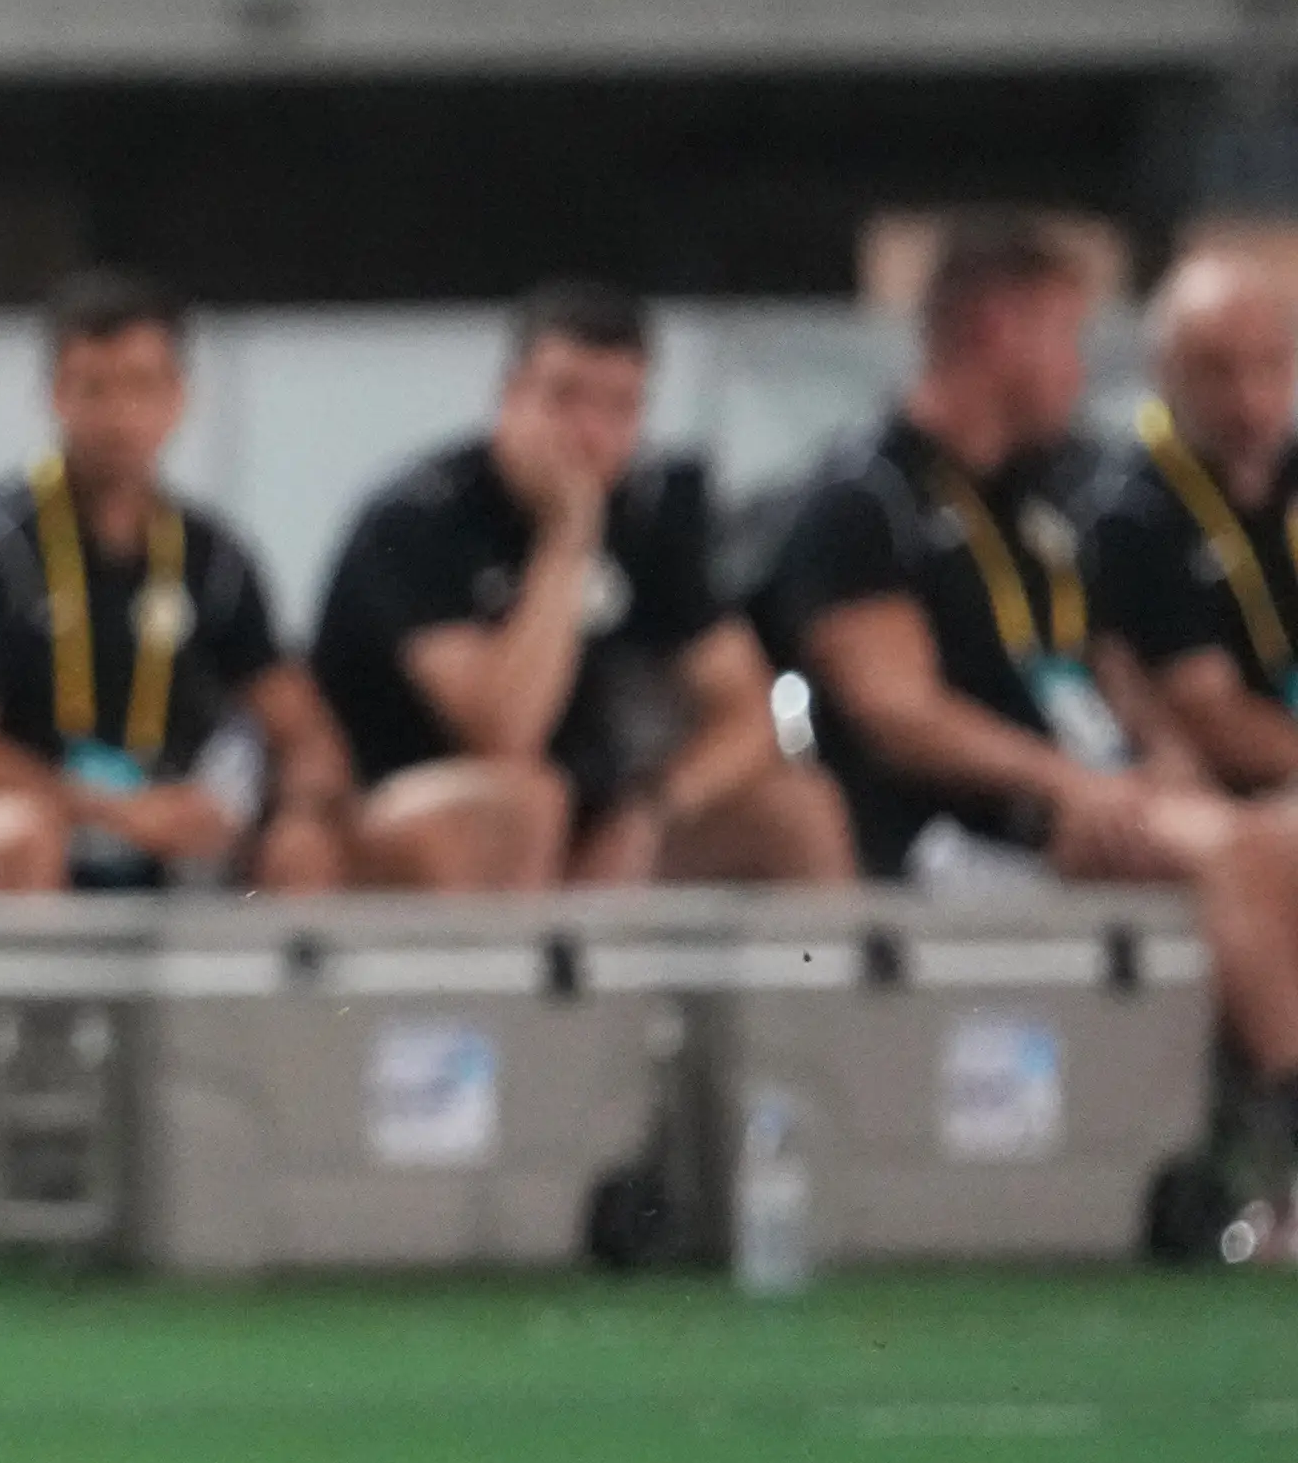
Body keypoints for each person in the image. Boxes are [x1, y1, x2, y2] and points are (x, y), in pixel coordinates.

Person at [756, 215, 1298, 1184]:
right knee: (1236, 850)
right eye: (1066, 337)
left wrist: (1161, 761)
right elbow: (896, 711)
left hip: (1086, 803)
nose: (1081, 369)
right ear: (998, 332)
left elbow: (1100, 664)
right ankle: (1282, 1148)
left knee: (1276, 833)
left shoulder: (1047, 494)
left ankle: (1236, 1150)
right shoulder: (867, 501)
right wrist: (1071, 785)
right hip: (959, 839)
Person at [312, 280, 853, 888]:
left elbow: (749, 714)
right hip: (400, 806)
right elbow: (506, 733)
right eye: (565, 399)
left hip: (585, 807)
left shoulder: (643, 517)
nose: (589, 433)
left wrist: (654, 805)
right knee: (526, 802)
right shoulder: (422, 520)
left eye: (619, 408)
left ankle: (829, 956)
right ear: (511, 395)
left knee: (797, 806)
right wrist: (566, 538)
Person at [0, 271, 349, 900]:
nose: (118, 417)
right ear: (56, 394)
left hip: (169, 837)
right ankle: (27, 974)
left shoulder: (211, 559)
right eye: (94, 388)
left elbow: (304, 734)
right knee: (13, 834)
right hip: (25, 829)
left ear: (179, 397)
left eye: (140, 386)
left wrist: (300, 815)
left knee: (308, 850)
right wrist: (116, 811)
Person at [1087, 249, 1298, 798]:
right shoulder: (1133, 511)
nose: (1249, 401)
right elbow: (1213, 719)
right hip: (1236, 797)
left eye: (1270, 365)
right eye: (1216, 371)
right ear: (1165, 372)